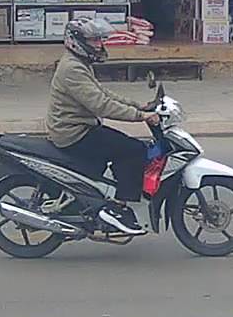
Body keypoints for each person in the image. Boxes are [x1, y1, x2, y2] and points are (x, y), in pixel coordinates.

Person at [46, 17, 159, 235]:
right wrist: (140, 116)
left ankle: (99, 201)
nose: (98, 44)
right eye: (93, 40)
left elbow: (103, 93)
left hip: (81, 127)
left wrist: (139, 105)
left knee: (119, 147)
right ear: (76, 41)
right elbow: (101, 104)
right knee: (133, 150)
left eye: (99, 40)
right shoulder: (72, 68)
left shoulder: (79, 64)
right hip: (74, 133)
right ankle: (118, 208)